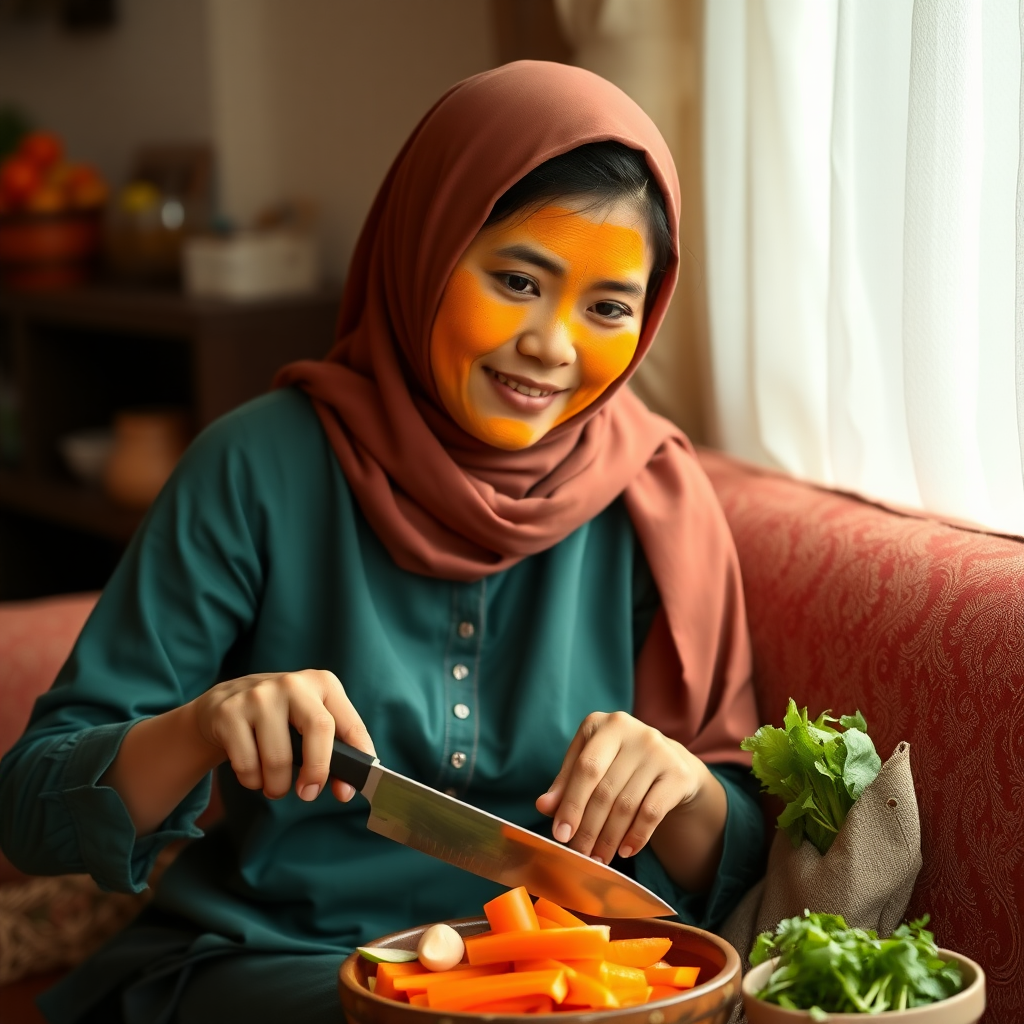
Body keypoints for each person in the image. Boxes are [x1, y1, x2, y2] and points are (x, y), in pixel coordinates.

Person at [0, 61, 764, 1024]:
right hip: (275, 964)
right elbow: (29, 809)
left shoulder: (657, 493)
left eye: (607, 307)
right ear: (426, 249)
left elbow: (732, 853)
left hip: (563, 985)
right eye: (518, 280)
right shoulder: (255, 466)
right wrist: (202, 725)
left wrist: (685, 786)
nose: (553, 344)